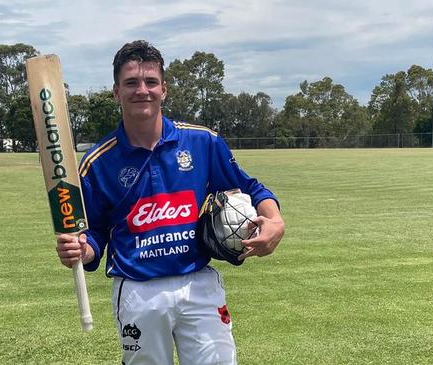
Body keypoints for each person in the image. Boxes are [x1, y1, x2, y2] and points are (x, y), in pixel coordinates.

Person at [56, 40, 285, 365]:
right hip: (138, 290)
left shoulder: (202, 142)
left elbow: (251, 188)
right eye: (131, 83)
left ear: (163, 89)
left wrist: (275, 222)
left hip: (198, 284)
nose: (142, 90)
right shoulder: (98, 162)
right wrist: (82, 249)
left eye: (150, 82)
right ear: (116, 92)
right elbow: (93, 234)